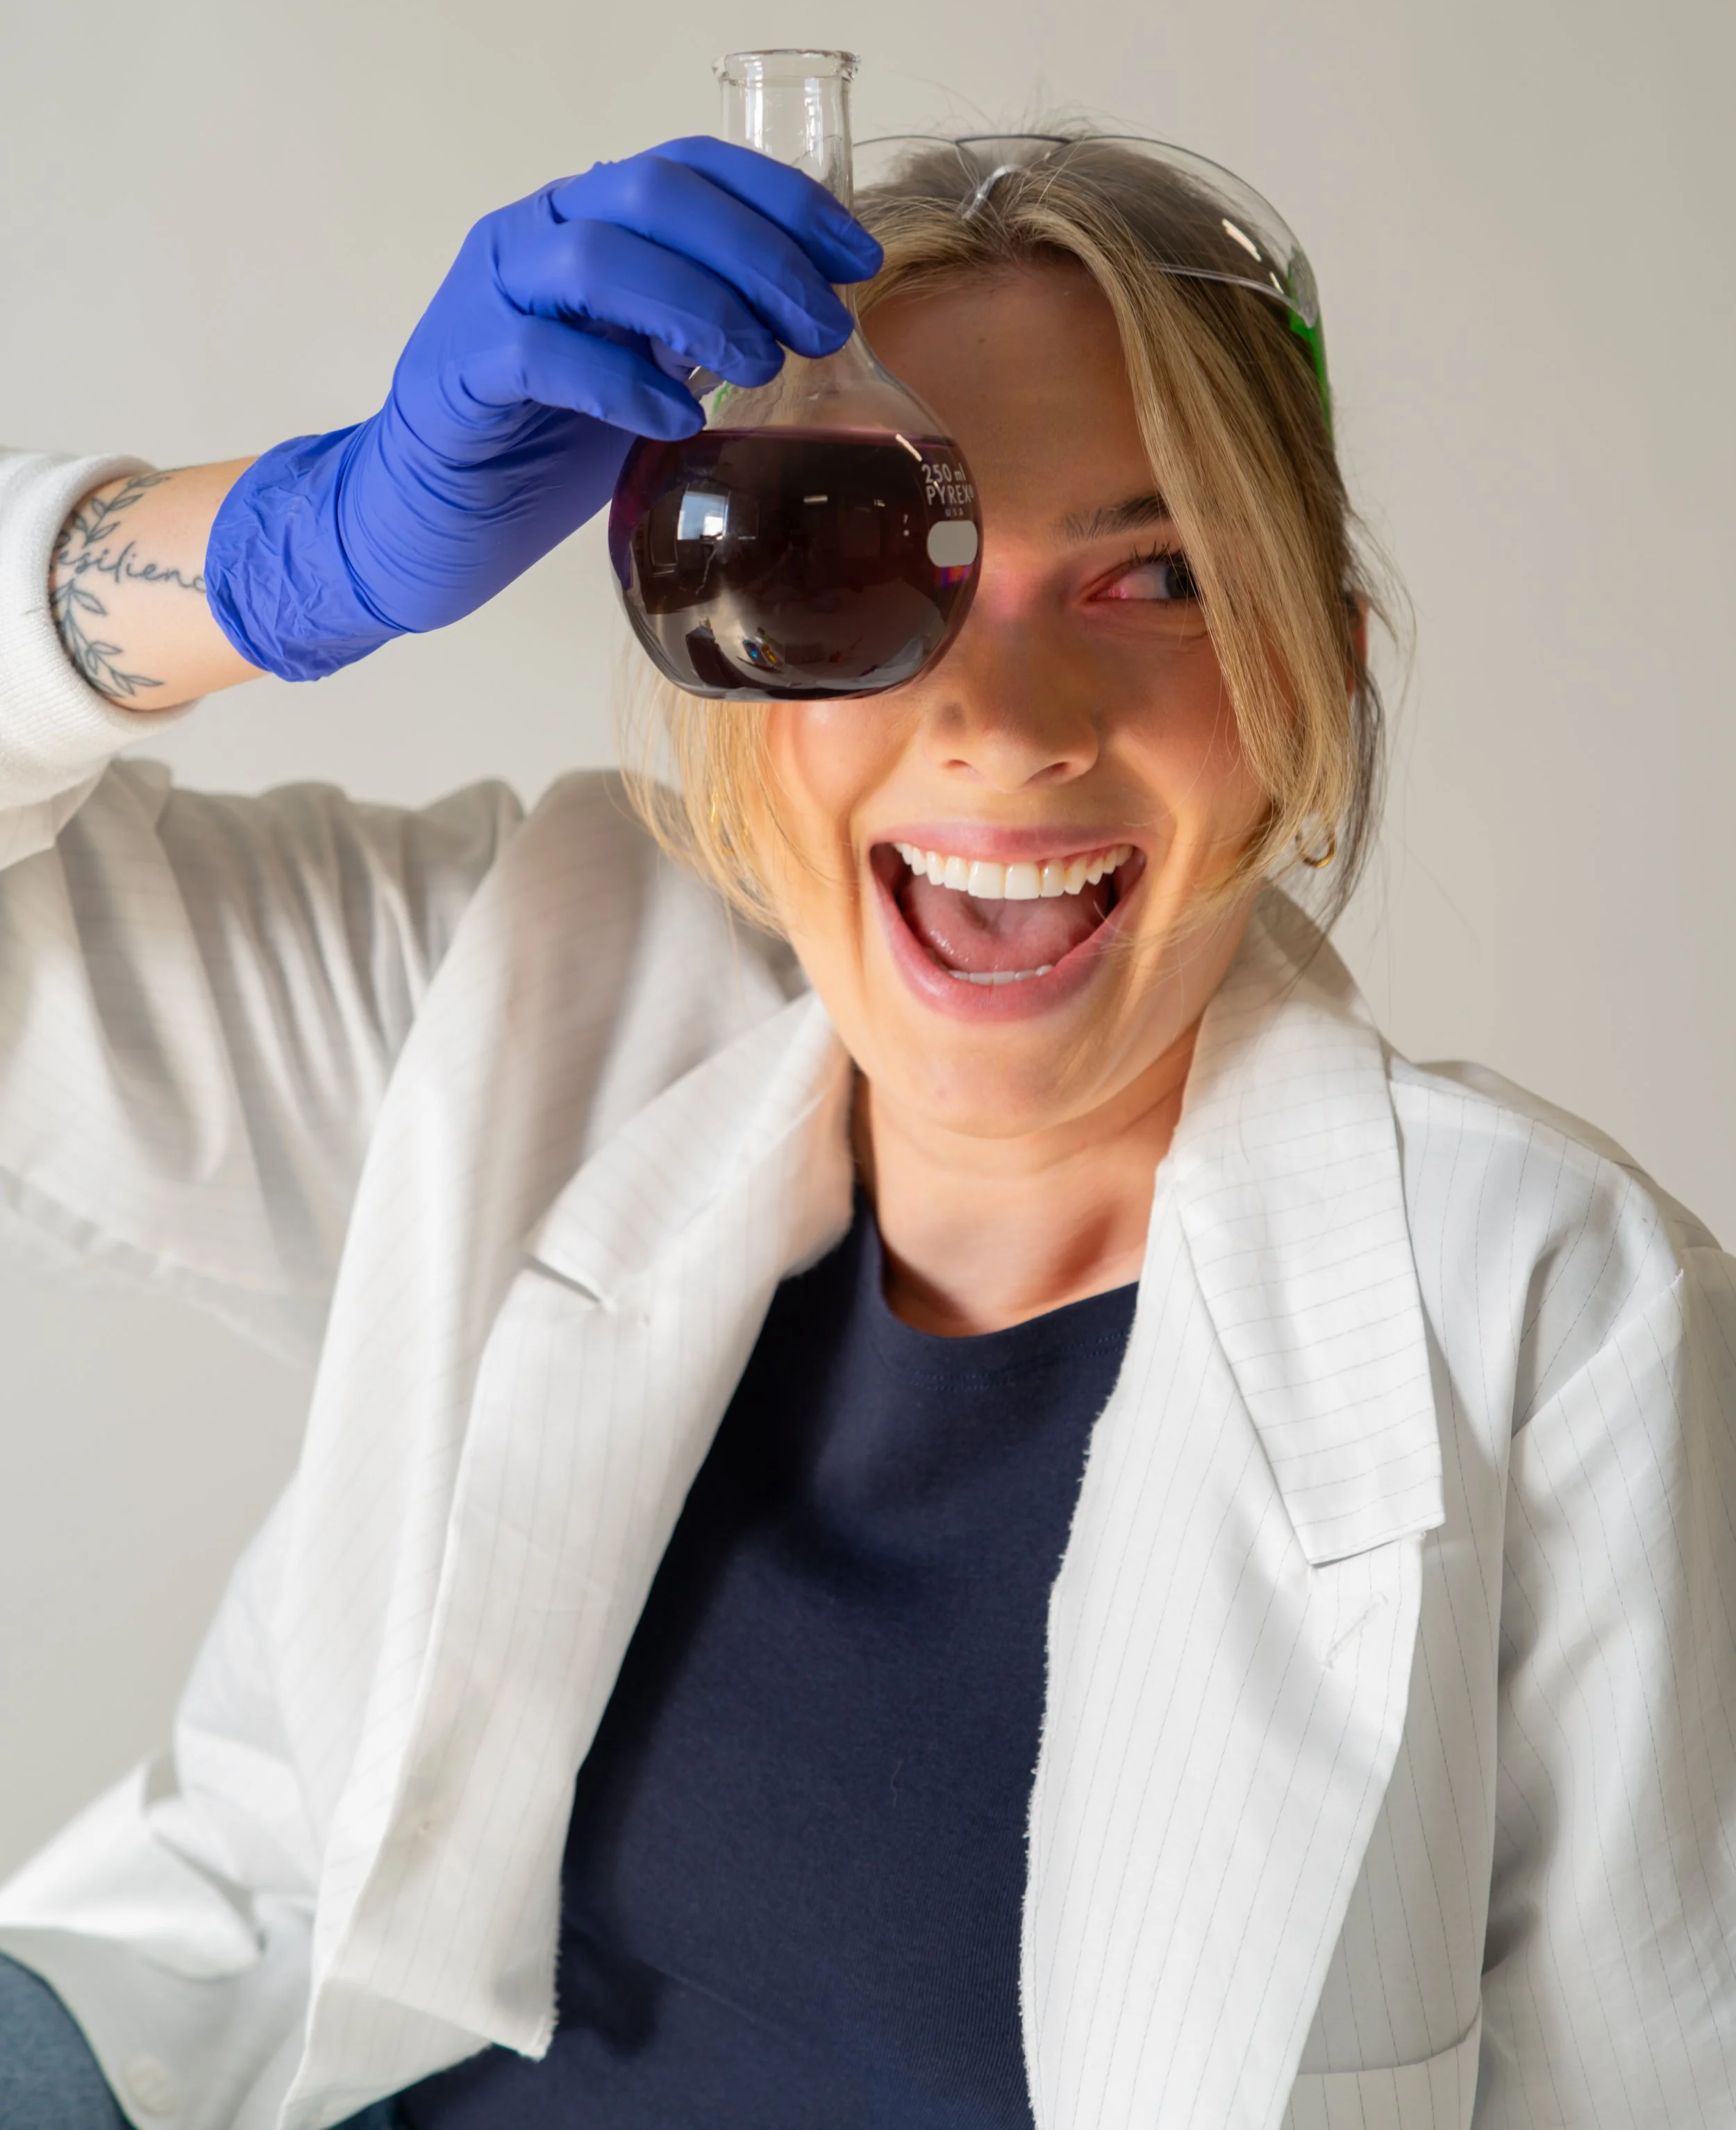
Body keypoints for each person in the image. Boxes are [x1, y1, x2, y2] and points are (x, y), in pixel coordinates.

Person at [0, 126, 1731, 2130]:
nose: (1005, 720)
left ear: (1309, 694)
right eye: (860, 556)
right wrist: (271, 555)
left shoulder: (1552, 1317)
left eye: (1154, 573)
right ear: (729, 661)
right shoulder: (528, 992)